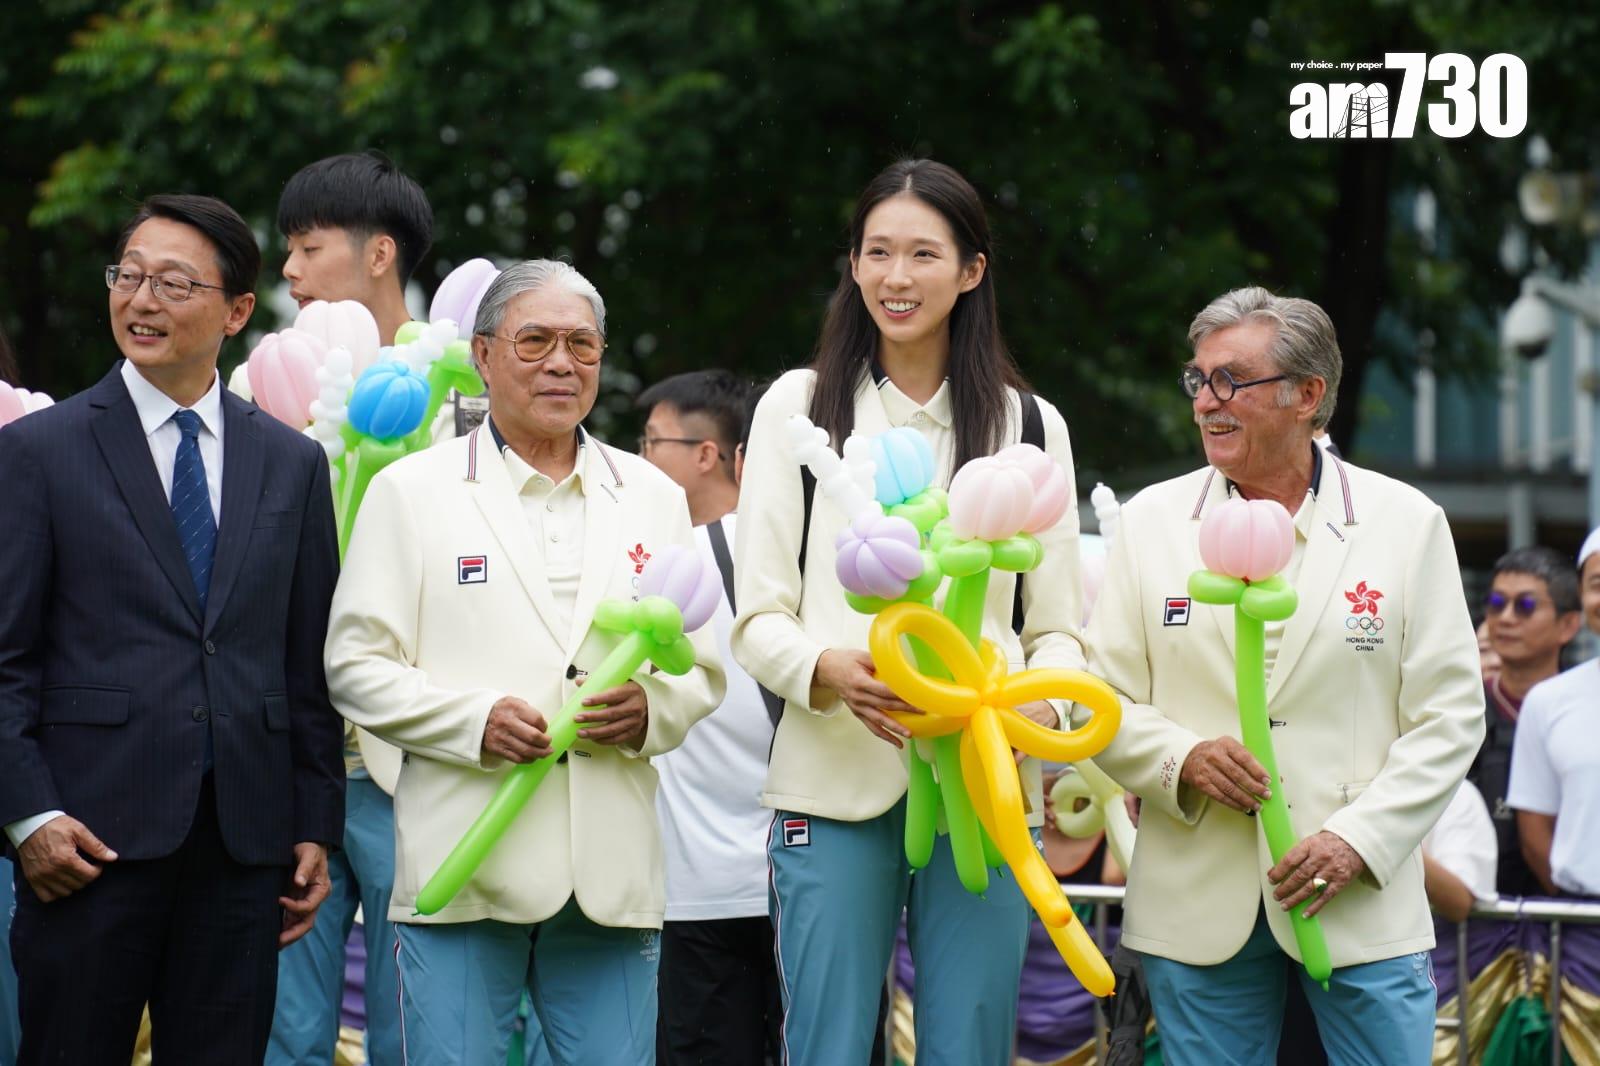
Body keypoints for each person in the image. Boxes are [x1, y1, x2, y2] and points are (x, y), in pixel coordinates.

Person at [731, 159, 1088, 1066]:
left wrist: (1038, 713)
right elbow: (758, 613)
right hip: (836, 781)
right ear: (852, 265)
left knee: (969, 1043)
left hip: (986, 783)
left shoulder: (1029, 425)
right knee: (829, 1043)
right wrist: (826, 671)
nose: (898, 277)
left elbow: (1060, 629)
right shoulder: (797, 410)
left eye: (924, 254)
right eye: (878, 252)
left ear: (971, 270)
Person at [323, 259, 724, 1065]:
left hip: (609, 871)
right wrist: (475, 722)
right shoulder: (410, 491)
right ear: (481, 354)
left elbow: (700, 665)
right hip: (465, 858)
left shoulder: (653, 494)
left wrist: (652, 711)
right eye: (534, 340)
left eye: (581, 344)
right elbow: (355, 665)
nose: (561, 363)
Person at [1087, 286, 1484, 1065]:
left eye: (1232, 380)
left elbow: (1451, 716)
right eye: (1198, 380)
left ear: (1309, 395)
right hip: (1197, 904)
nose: (1207, 402)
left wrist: (1359, 841)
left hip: (1360, 900)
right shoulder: (1148, 523)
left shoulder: (1406, 523)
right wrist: (1180, 760)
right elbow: (1101, 699)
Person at [0, 194, 345, 1064]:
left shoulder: (294, 463)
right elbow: (5, 656)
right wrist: (28, 815)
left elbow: (305, 664)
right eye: (129, 275)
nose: (141, 299)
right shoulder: (38, 451)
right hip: (84, 843)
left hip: (243, 847)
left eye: (174, 282)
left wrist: (314, 824)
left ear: (235, 311)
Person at [267, 150, 433, 1066]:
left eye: (307, 246)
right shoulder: (259, 391)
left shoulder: (468, 397)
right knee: (286, 1027)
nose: (288, 270)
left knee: (422, 1018)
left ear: (379, 254)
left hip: (421, 763)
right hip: (290, 763)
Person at [637, 370, 784, 1064]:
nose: (639, 458)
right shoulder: (790, 560)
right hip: (801, 880)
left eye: (652, 440)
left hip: (695, 889)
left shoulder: (666, 566)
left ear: (707, 454)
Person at [1469, 546, 1582, 897]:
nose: (1505, 618)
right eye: (1496, 604)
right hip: (1472, 926)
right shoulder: (1463, 708)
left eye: (1526, 606)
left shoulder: (1584, 712)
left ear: (1568, 625)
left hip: (1573, 921)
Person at [1506, 528, 1600, 898]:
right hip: (1584, 931)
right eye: (1597, 583)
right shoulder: (1548, 700)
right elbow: (1534, 832)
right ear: (1582, 597)